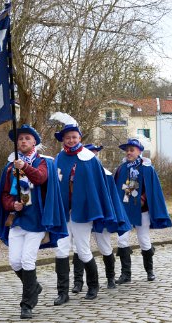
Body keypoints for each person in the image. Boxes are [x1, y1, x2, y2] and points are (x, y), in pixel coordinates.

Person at [0, 124, 68, 319]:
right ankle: (34, 287)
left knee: (27, 259)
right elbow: (6, 194)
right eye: (20, 139)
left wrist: (24, 167)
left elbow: (40, 178)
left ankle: (27, 305)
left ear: (35, 142)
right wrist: (11, 205)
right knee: (15, 261)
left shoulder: (43, 162)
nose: (23, 141)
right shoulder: (10, 167)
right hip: (18, 221)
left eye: (27, 138)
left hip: (37, 220)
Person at [50, 113, 117, 304]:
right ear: (63, 139)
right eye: (67, 137)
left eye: (74, 137)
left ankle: (93, 286)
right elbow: (55, 184)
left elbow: (97, 187)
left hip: (83, 212)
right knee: (61, 250)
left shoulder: (89, 158)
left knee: (83, 249)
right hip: (63, 212)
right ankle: (63, 292)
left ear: (80, 138)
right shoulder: (59, 158)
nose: (71, 140)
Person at [71, 144, 131, 293]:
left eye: (94, 154)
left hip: (100, 214)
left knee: (104, 246)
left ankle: (110, 277)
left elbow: (109, 197)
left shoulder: (106, 174)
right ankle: (78, 282)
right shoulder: (75, 172)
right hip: (83, 214)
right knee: (79, 247)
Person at [114, 138, 172, 284]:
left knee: (144, 240)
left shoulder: (146, 168)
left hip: (141, 210)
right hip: (125, 210)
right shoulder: (122, 168)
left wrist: (143, 199)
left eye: (131, 150)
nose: (128, 152)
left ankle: (150, 271)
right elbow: (116, 188)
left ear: (139, 151)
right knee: (122, 240)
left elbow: (152, 188)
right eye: (127, 150)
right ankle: (125, 274)